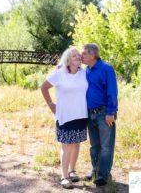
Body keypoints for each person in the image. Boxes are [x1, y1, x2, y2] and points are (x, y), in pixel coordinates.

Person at [40, 47, 88, 189]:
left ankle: (72, 171)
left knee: (76, 143)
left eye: (79, 56)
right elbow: (43, 87)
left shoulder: (84, 73)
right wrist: (50, 104)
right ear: (67, 59)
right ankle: (64, 176)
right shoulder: (59, 73)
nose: (78, 58)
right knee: (66, 145)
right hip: (65, 115)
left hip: (81, 114)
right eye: (75, 56)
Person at [81, 43, 118, 187]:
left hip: (104, 114)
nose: (81, 56)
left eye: (84, 54)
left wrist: (111, 112)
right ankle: (95, 171)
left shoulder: (106, 69)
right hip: (90, 114)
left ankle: (103, 175)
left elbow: (112, 92)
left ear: (92, 55)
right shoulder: (86, 71)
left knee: (106, 146)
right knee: (94, 145)